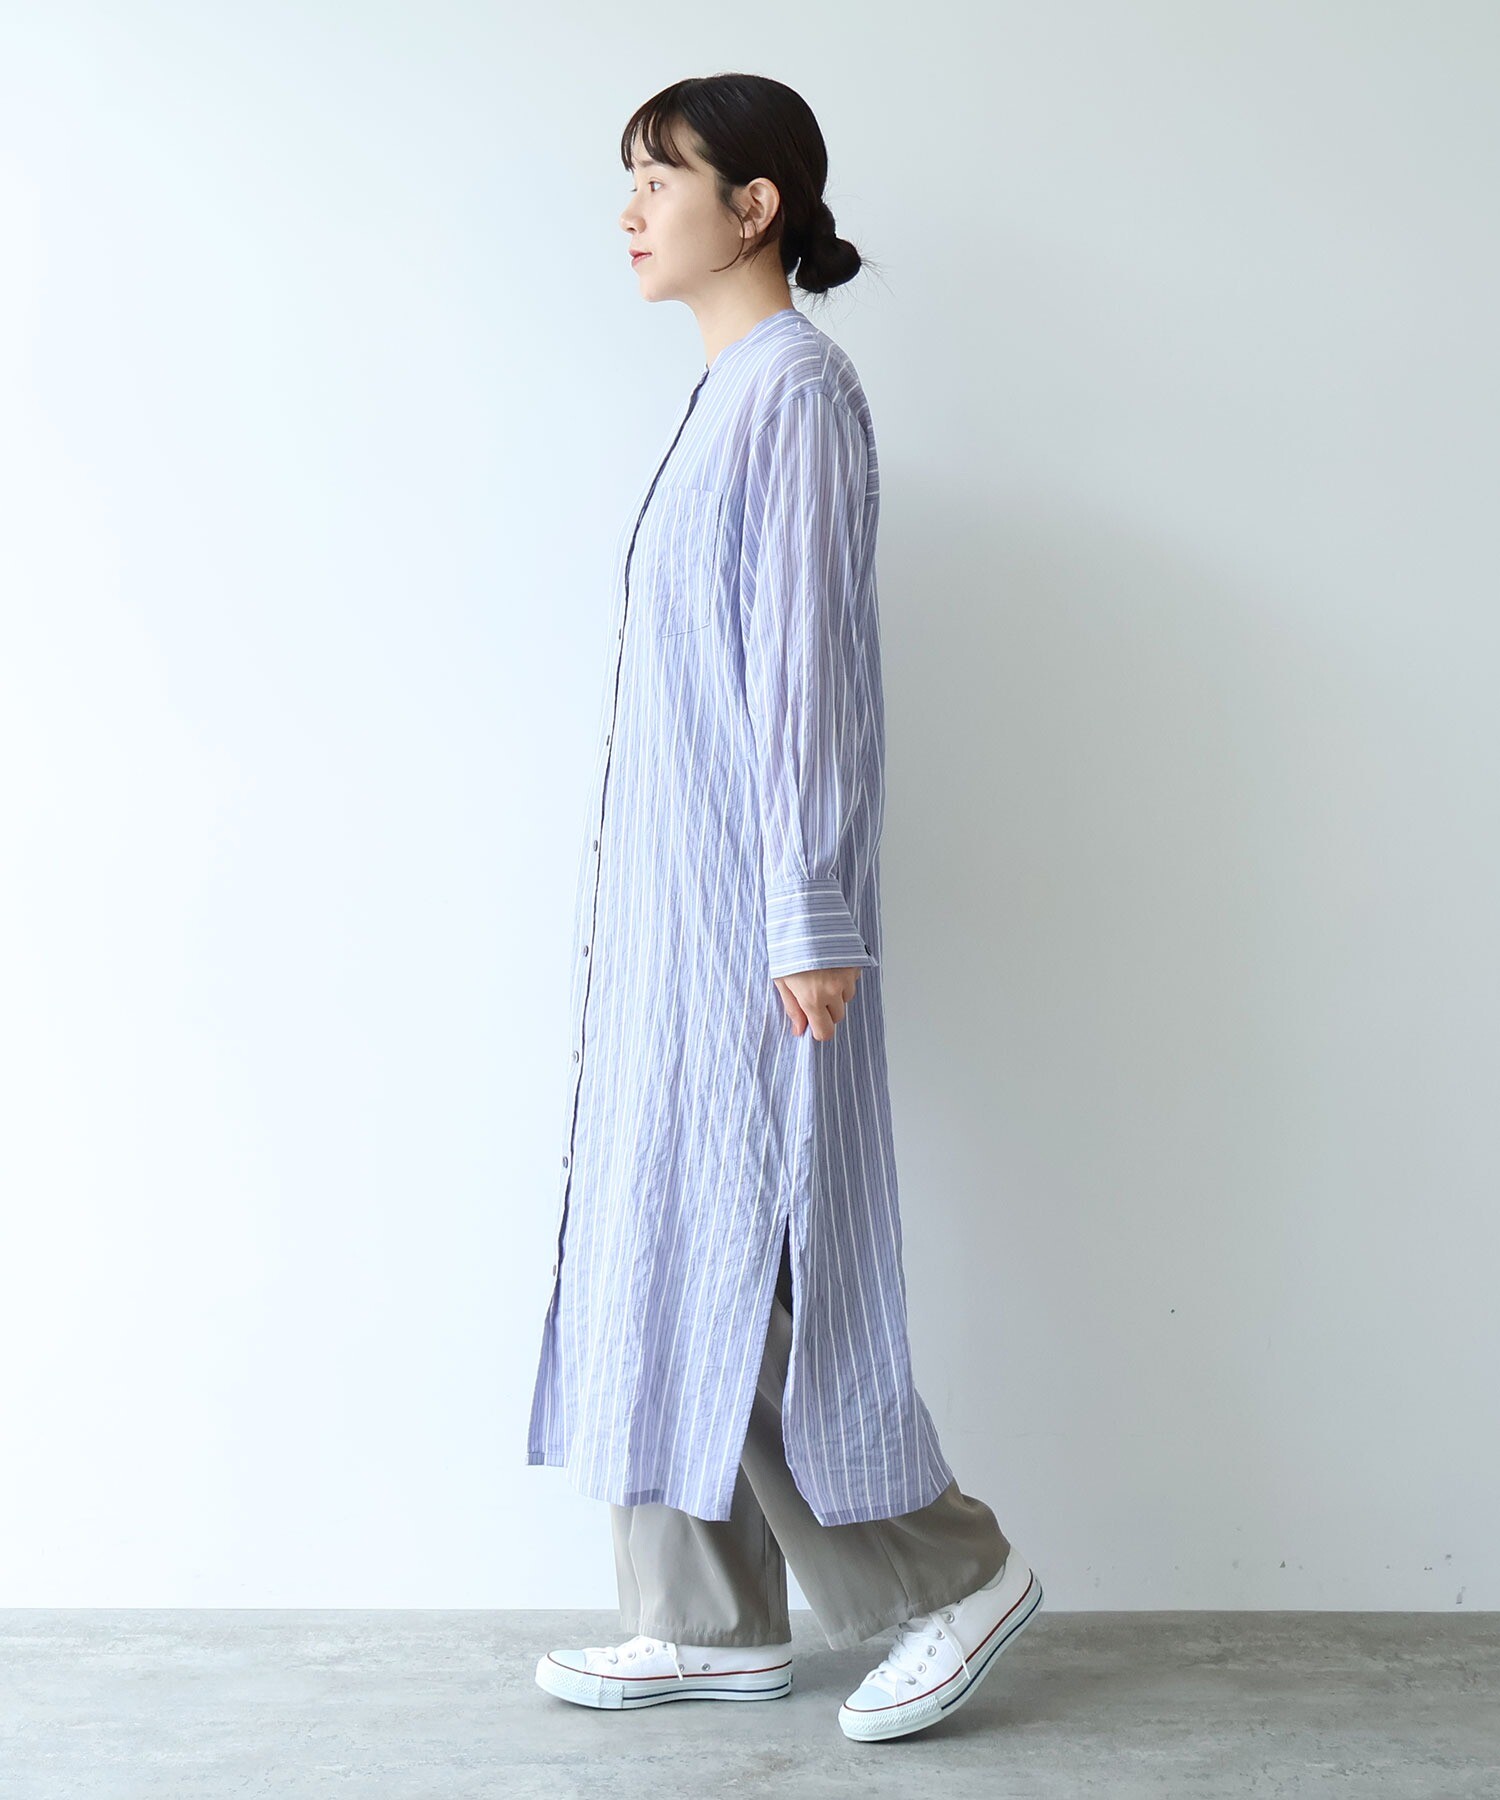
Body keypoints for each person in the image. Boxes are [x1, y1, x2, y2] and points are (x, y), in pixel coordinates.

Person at [528, 73, 1042, 1742]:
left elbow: (808, 671)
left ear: (754, 207)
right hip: (671, 937)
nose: (630, 209)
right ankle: (704, 1621)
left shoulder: (799, 394)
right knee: (658, 1250)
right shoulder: (725, 398)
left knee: (747, 1260)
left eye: (659, 178)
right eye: (626, 180)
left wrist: (809, 913)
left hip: (753, 933)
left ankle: (954, 1576)